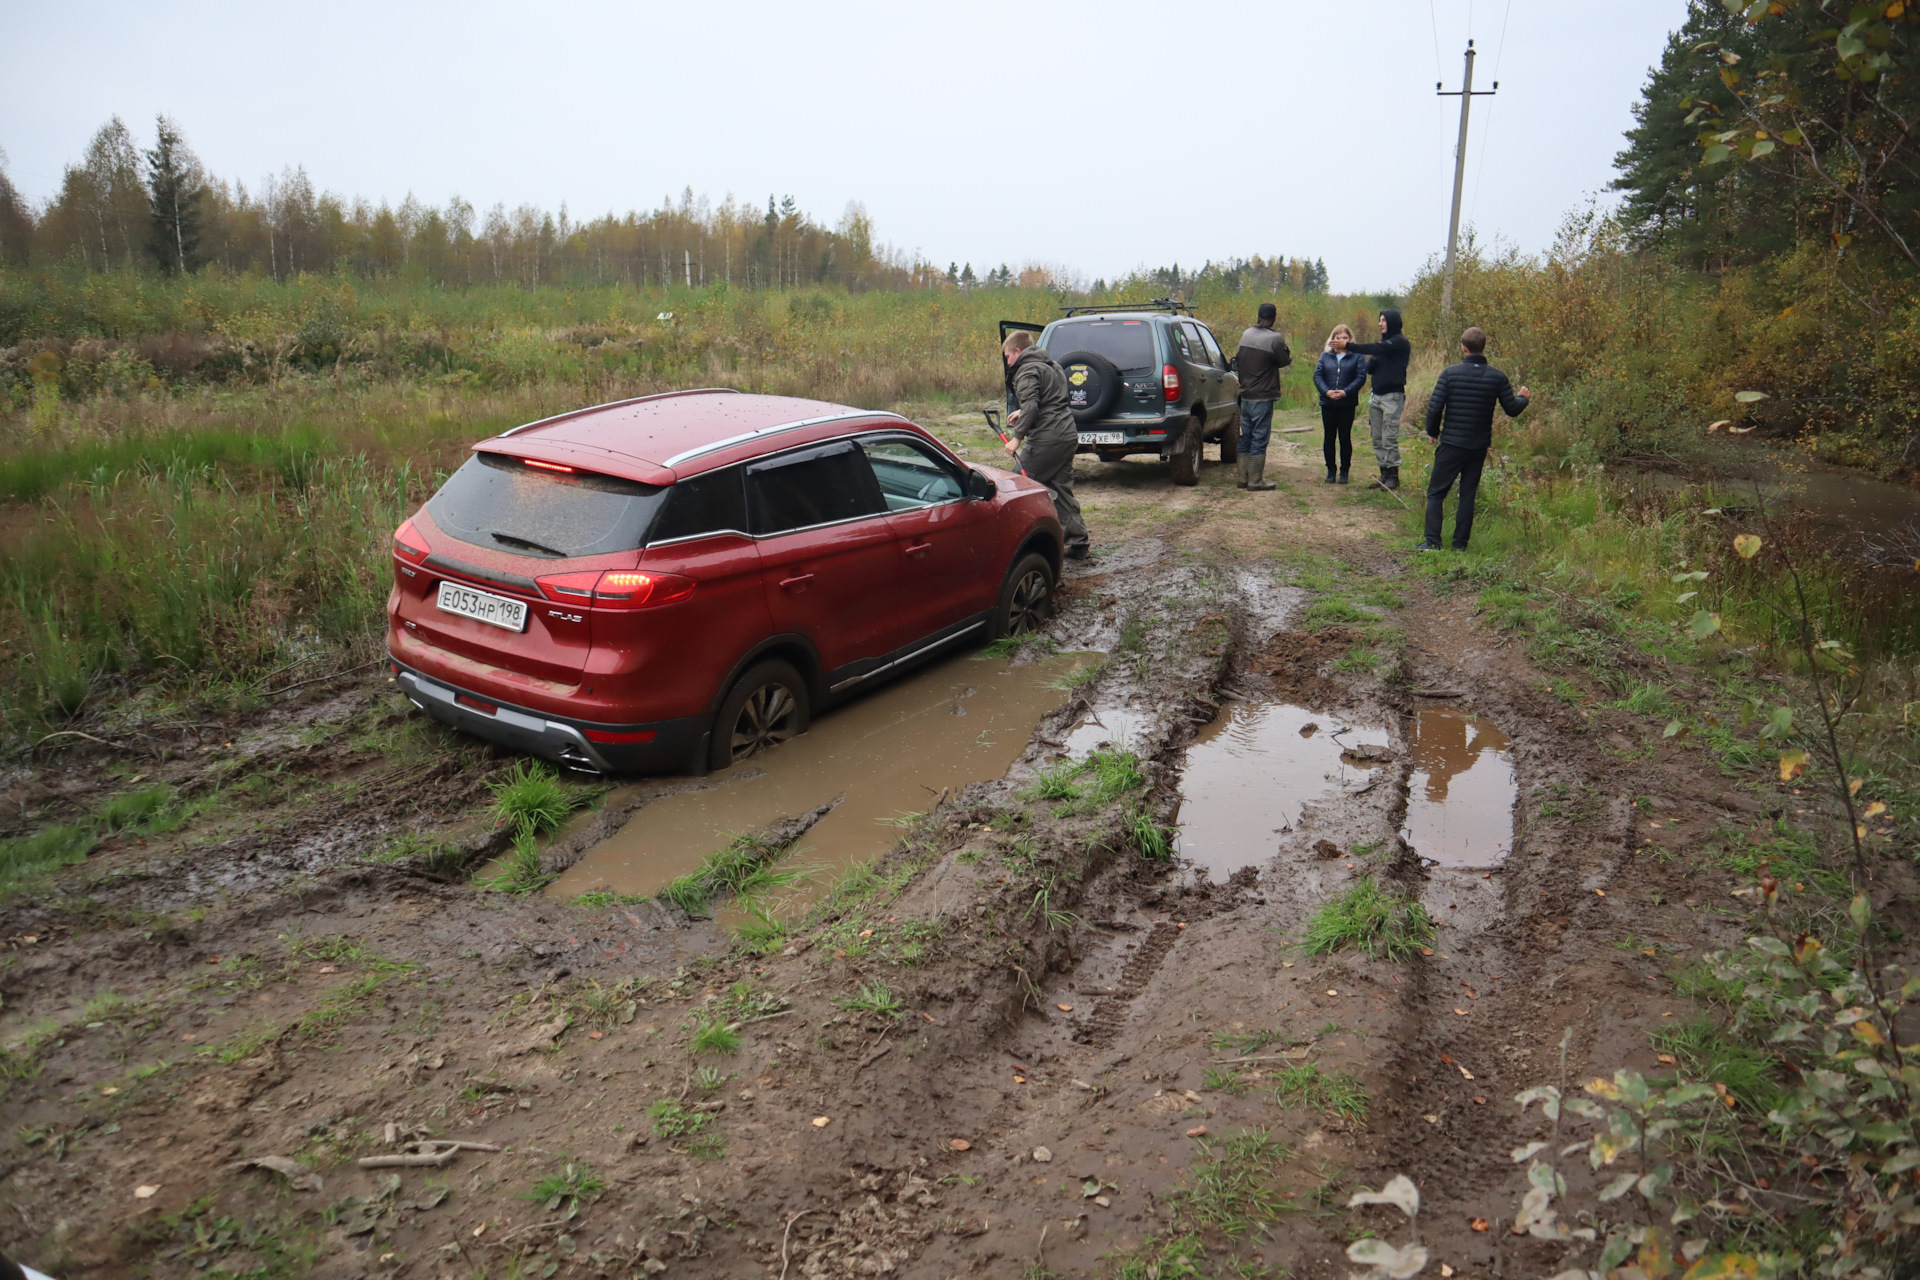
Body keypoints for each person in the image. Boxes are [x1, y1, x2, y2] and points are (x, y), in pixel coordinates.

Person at [1419, 326, 1530, 552]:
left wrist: (1432, 432)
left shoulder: (1450, 374)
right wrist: (1523, 398)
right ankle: (1460, 546)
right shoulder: (1497, 377)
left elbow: (1435, 407)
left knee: (1436, 492)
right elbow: (1511, 409)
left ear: (1463, 347)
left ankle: (1433, 542)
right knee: (1467, 494)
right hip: (1478, 446)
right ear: (1484, 347)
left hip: (1451, 443)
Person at [1003, 330, 1090, 559]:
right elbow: (1051, 399)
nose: (1008, 361)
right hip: (1067, 434)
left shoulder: (1027, 370)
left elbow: (1032, 404)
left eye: (1008, 356)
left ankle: (1015, 543)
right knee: (1060, 489)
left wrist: (1016, 438)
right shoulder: (1053, 365)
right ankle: (1079, 542)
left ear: (1018, 352)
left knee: (1015, 486)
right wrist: (1022, 412)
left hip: (1047, 438)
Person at [1344, 308, 1413, 490]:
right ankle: (1383, 473)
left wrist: (1349, 346)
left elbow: (1377, 348)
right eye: (1379, 320)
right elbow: (1370, 369)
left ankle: (1393, 476)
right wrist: (1375, 358)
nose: (1379, 323)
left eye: (1383, 320)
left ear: (1392, 321)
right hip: (1376, 396)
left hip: (1392, 397)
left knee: (1389, 437)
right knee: (1377, 437)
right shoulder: (1384, 346)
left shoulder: (1399, 342)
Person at [1232, 302, 1292, 491]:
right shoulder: (1275, 338)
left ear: (1258, 316)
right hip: (1263, 396)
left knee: (1245, 437)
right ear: (1274, 317)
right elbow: (1284, 361)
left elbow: (1237, 360)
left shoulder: (1246, 334)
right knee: (1259, 437)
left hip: (1246, 395)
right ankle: (1255, 480)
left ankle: (1242, 478)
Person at [1311, 324, 1367, 484]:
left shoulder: (1356, 356)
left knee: (1344, 437)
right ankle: (1330, 470)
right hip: (1328, 403)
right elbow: (1317, 376)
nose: (1341, 340)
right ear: (1333, 339)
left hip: (1347, 403)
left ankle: (1344, 471)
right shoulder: (1325, 356)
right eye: (1338, 337)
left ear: (1350, 340)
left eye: (1345, 338)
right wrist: (1326, 391)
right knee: (1329, 437)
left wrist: (1345, 392)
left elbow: (1360, 377)